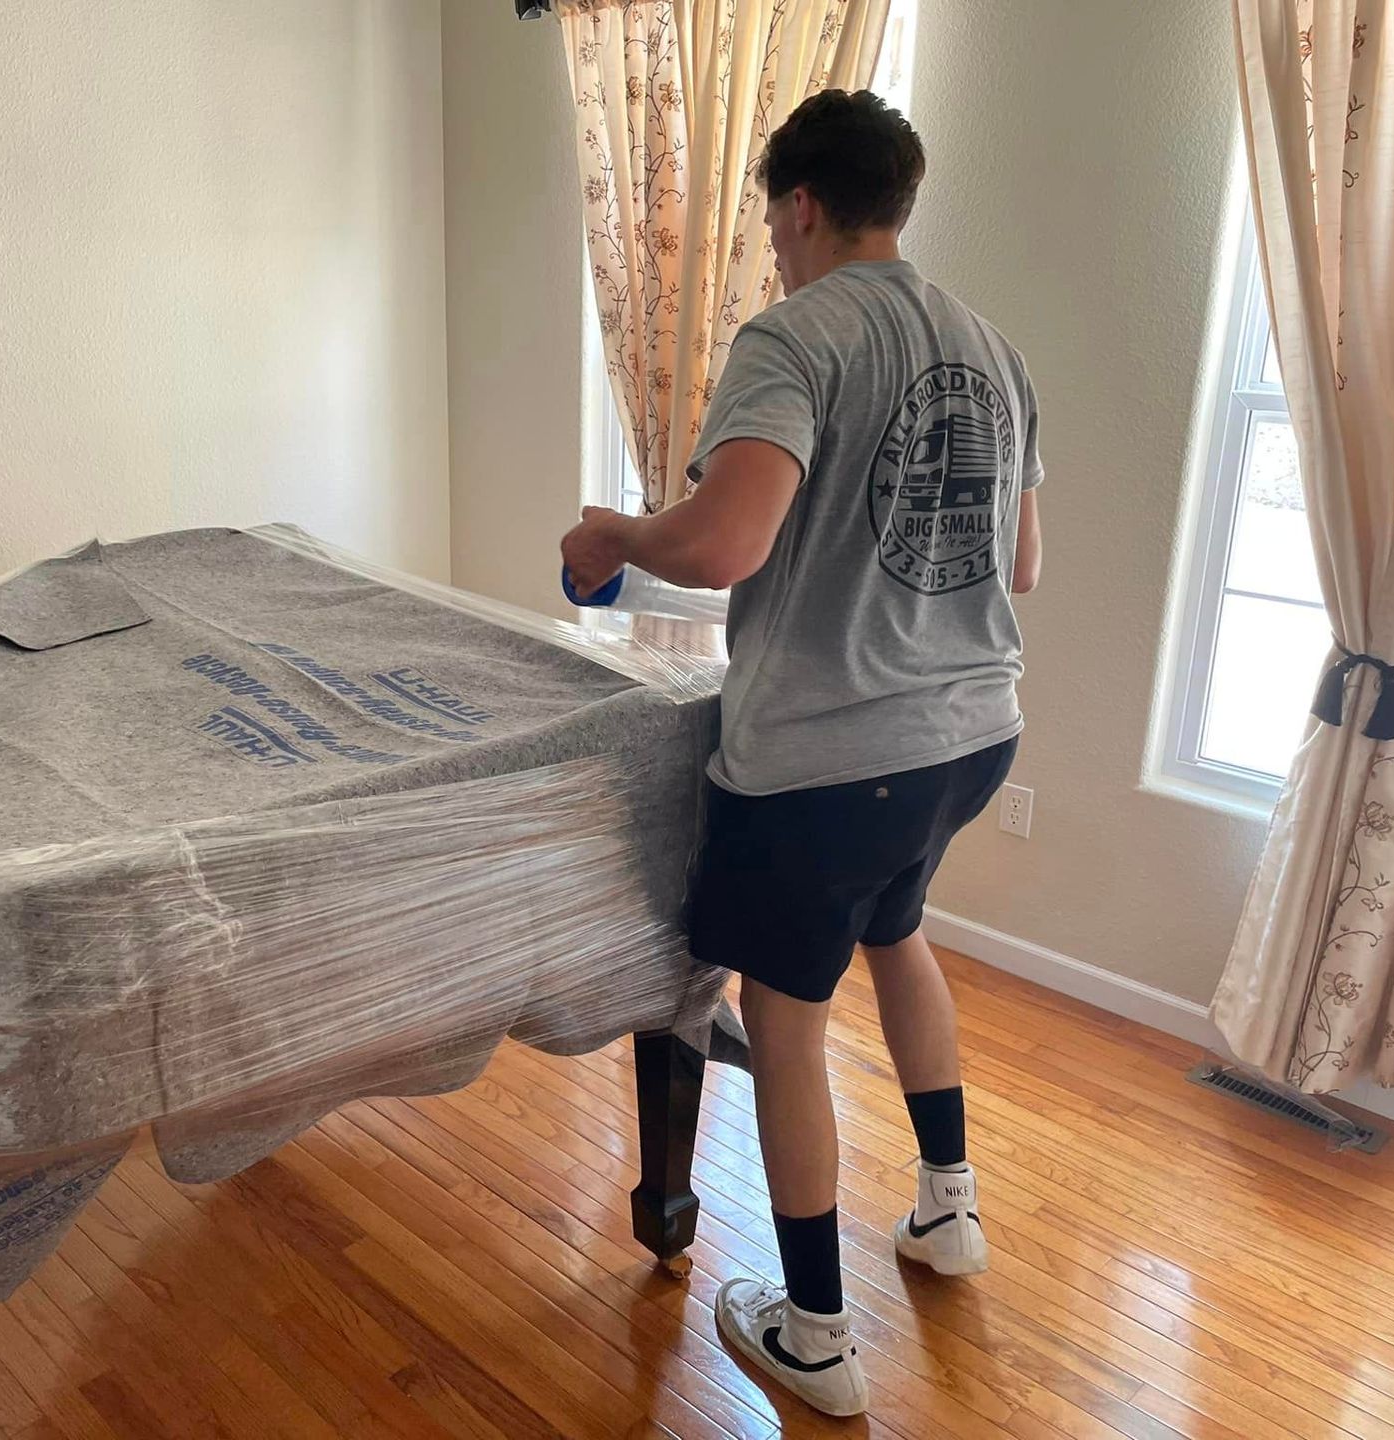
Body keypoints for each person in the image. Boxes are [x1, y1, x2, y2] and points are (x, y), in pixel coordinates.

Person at [563, 90, 1043, 1418]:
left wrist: (616, 532)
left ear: (801, 206)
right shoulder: (991, 350)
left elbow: (723, 546)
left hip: (831, 760)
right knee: (900, 937)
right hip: (973, 737)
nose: (774, 245)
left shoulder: (794, 335)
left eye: (775, 221)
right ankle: (949, 1213)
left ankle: (817, 1333)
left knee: (785, 1018)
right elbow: (1025, 560)